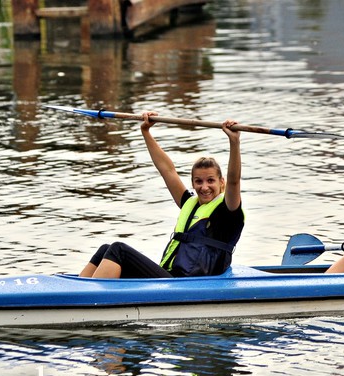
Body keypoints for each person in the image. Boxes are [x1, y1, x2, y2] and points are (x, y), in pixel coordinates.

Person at [79, 111, 244, 279]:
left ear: (221, 182)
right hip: (169, 277)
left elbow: (234, 181)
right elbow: (167, 170)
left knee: (118, 250)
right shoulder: (189, 203)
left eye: (210, 181)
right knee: (104, 250)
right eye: (198, 181)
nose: (204, 187)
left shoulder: (227, 212)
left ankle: (91, 300)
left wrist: (234, 142)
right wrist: (146, 132)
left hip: (188, 283)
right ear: (193, 183)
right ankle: (76, 291)